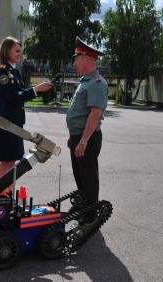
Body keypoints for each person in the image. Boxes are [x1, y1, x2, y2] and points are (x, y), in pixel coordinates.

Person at [0, 36, 52, 196]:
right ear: (7, 51)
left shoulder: (14, 71)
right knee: (6, 159)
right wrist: (35, 90)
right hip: (6, 122)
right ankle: (0, 192)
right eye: (17, 51)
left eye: (20, 51)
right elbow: (13, 96)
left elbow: (18, 95)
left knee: (12, 159)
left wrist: (35, 90)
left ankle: (8, 192)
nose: (20, 54)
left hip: (14, 122)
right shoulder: (2, 71)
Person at [66, 37, 108, 224]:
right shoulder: (85, 81)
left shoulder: (97, 83)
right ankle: (84, 204)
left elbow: (94, 114)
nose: (74, 62)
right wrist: (73, 136)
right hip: (79, 136)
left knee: (88, 176)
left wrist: (83, 140)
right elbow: (80, 112)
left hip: (88, 138)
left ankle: (90, 215)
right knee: (80, 174)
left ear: (87, 59)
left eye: (77, 58)